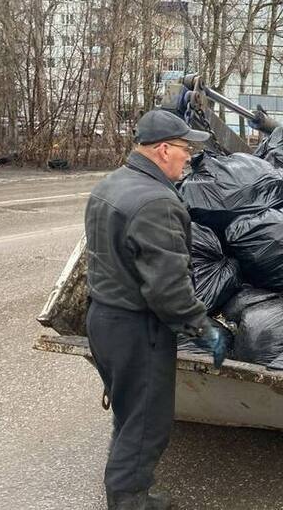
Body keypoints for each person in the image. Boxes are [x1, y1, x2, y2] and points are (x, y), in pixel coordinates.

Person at [84, 109, 225, 510]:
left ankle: (129, 494)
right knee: (147, 424)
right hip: (136, 328)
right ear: (163, 150)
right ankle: (130, 502)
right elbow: (168, 289)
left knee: (129, 413)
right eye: (185, 149)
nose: (190, 157)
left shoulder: (110, 185)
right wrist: (203, 327)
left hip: (103, 317)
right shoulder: (157, 202)